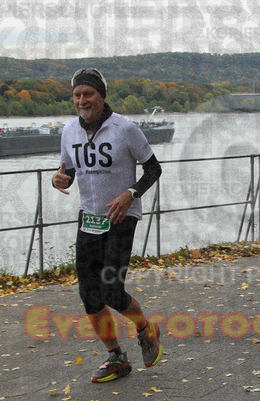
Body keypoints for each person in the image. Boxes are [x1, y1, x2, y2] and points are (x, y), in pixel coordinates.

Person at [52, 68, 163, 383]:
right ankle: (117, 358)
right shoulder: (69, 131)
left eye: (88, 94)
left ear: (101, 96)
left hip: (121, 217)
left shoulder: (125, 128)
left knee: (111, 291)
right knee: (90, 294)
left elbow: (153, 169)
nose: (82, 100)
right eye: (77, 95)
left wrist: (130, 194)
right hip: (89, 217)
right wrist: (59, 179)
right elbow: (69, 171)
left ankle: (145, 329)